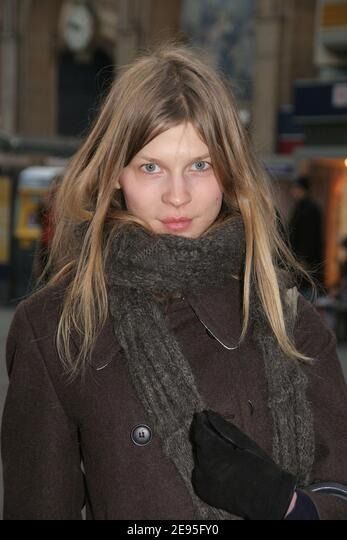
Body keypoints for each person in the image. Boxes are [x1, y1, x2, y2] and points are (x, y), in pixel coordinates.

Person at [1, 44, 347, 521]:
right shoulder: (56, 329)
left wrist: (288, 507)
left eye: (200, 165)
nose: (178, 195)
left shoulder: (291, 323)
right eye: (151, 167)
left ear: (229, 172)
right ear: (115, 174)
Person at [288, 176, 325, 298]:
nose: (292, 192)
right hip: (303, 264)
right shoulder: (303, 207)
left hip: (305, 265)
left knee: (304, 298)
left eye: (295, 188)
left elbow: (308, 238)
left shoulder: (308, 209)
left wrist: (302, 259)